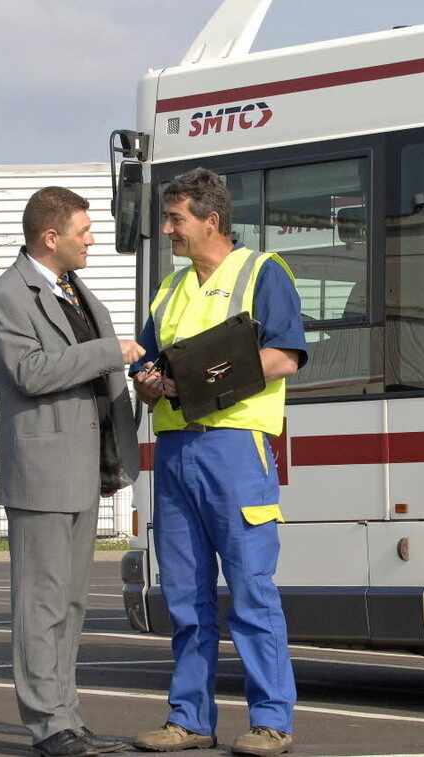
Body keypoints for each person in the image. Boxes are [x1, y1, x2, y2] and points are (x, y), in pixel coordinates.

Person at [130, 168, 306, 757]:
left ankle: (271, 723)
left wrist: (199, 382)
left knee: (251, 590)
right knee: (185, 595)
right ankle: (189, 719)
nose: (168, 230)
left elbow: (284, 356)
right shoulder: (171, 290)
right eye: (167, 218)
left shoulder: (263, 271)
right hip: (177, 450)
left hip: (235, 447)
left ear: (212, 220)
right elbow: (147, 366)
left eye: (176, 218)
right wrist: (150, 381)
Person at [0, 186, 145, 757]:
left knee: (72, 602)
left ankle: (66, 715)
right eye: (83, 232)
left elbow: (96, 372)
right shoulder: (10, 294)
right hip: (43, 474)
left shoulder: (73, 291)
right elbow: (29, 371)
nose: (92, 240)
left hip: (84, 469)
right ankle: (47, 724)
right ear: (50, 238)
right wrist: (110, 352)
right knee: (41, 604)